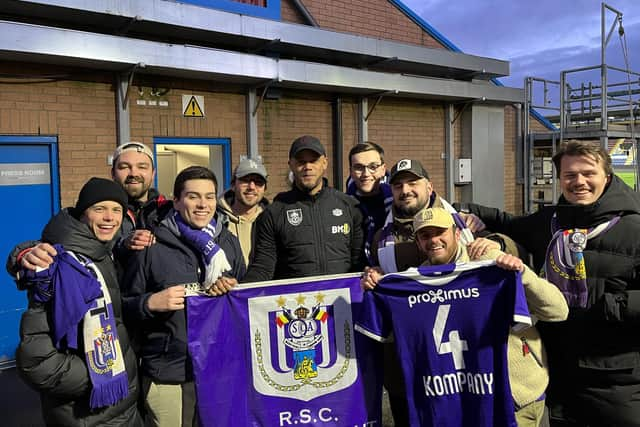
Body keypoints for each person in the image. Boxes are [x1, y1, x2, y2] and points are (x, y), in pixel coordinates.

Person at [462, 140, 640, 426]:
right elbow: (508, 223)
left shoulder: (634, 228)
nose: (579, 181)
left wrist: (608, 307)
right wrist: (468, 212)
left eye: (588, 173)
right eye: (570, 175)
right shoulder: (551, 221)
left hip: (615, 377)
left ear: (607, 177)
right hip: (557, 370)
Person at [360, 207, 568, 427]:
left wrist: (522, 274)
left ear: (456, 234)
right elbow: (397, 333)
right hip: (463, 405)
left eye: (440, 232)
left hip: (519, 398)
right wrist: (377, 287)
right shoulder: (413, 285)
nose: (434, 241)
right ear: (418, 244)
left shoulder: (491, 264)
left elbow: (558, 311)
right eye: (425, 235)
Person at [121, 166, 245, 427]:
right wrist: (150, 303)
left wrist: (232, 290)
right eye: (193, 196)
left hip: (219, 369)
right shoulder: (150, 247)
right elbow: (123, 308)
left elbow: (243, 300)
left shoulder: (228, 243)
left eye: (210, 196)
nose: (203, 205)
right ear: (176, 201)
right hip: (169, 372)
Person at [15, 177, 142, 426]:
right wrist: (99, 375)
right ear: (83, 213)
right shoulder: (61, 264)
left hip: (123, 407)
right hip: (86, 414)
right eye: (99, 209)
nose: (109, 217)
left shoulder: (102, 253)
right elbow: (37, 363)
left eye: (116, 210)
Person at [212, 135, 364, 292]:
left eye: (313, 160)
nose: (307, 167)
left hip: (343, 305)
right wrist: (236, 290)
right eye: (301, 161)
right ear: (291, 164)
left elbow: (359, 263)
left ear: (324, 163)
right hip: (296, 309)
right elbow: (264, 268)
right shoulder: (274, 213)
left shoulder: (349, 207)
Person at [8, 141, 168, 273]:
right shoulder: (90, 211)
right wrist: (26, 255)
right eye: (124, 167)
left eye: (142, 167)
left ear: (153, 173)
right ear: (112, 173)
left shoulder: (168, 211)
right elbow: (62, 238)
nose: (133, 173)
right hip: (112, 304)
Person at [345, 142, 392, 262]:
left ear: (383, 169)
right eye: (359, 167)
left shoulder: (398, 201)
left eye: (373, 167)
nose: (366, 174)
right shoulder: (342, 208)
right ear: (351, 171)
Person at [216, 157, 269, 266]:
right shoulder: (216, 219)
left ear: (265, 188)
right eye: (245, 180)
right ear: (233, 185)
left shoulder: (273, 219)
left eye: (258, 182)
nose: (252, 187)